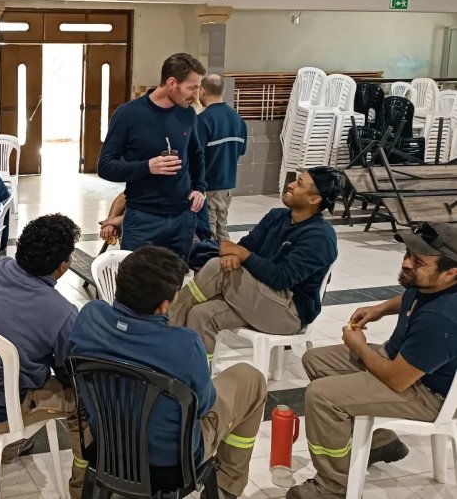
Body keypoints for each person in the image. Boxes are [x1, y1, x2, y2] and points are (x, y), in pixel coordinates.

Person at [70, 246, 267, 499]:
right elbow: (203, 406)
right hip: (171, 468)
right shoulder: (185, 344)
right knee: (250, 379)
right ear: (164, 306)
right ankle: (227, 485)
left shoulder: (90, 317)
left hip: (106, 449)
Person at [287, 222, 457, 499]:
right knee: (316, 360)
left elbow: (397, 380)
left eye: (419, 261)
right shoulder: (433, 284)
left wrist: (359, 347)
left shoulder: (442, 319)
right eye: (408, 254)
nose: (406, 263)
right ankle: (381, 442)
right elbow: (411, 296)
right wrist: (380, 308)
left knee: (321, 396)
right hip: (402, 363)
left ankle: (333, 487)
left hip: (427, 393)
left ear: (451, 272)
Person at [0, 214, 88, 498]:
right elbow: (69, 373)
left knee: (16, 374)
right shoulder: (62, 313)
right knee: (84, 402)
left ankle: (11, 445)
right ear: (63, 266)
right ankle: (82, 490)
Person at [170, 167, 341, 364]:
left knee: (217, 268)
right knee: (200, 314)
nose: (291, 185)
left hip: (289, 312)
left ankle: (166, 329)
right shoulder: (277, 216)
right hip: (260, 296)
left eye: (300, 184)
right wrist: (236, 255)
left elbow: (281, 278)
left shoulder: (319, 237)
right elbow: (246, 245)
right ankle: (197, 373)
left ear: (314, 199)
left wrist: (243, 255)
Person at [97, 53, 207, 259]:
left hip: (182, 218)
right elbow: (105, 166)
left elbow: (196, 155)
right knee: (136, 277)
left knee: (175, 276)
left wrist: (200, 189)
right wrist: (147, 167)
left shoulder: (188, 114)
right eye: (192, 88)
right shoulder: (128, 114)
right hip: (143, 219)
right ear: (172, 83)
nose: (196, 95)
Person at [196, 75, 248, 242]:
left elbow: (196, 156)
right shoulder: (238, 120)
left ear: (202, 91)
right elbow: (241, 151)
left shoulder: (202, 121)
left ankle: (212, 258)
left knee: (208, 232)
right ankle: (226, 256)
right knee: (222, 228)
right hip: (227, 186)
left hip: (208, 186)